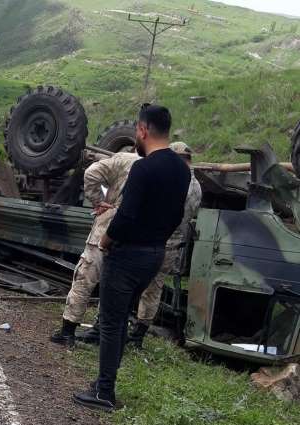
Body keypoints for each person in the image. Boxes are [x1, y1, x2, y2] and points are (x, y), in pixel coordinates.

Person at [73, 104, 190, 411]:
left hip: (127, 255)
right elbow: (177, 215)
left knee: (111, 324)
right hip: (155, 253)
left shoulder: (143, 167)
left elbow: (126, 216)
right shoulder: (182, 170)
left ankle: (104, 392)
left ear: (142, 130)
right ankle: (103, 384)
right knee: (122, 319)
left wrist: (107, 241)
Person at [51, 151, 140, 347]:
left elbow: (91, 172)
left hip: (107, 227)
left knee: (85, 278)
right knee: (117, 287)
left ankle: (67, 332)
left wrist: (98, 201)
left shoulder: (125, 160)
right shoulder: (161, 168)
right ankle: (103, 332)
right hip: (134, 237)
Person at [128, 142, 202, 348]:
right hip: (173, 244)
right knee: (155, 287)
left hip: (156, 238)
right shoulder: (197, 186)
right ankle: (138, 335)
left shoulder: (177, 180)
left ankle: (120, 327)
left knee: (131, 282)